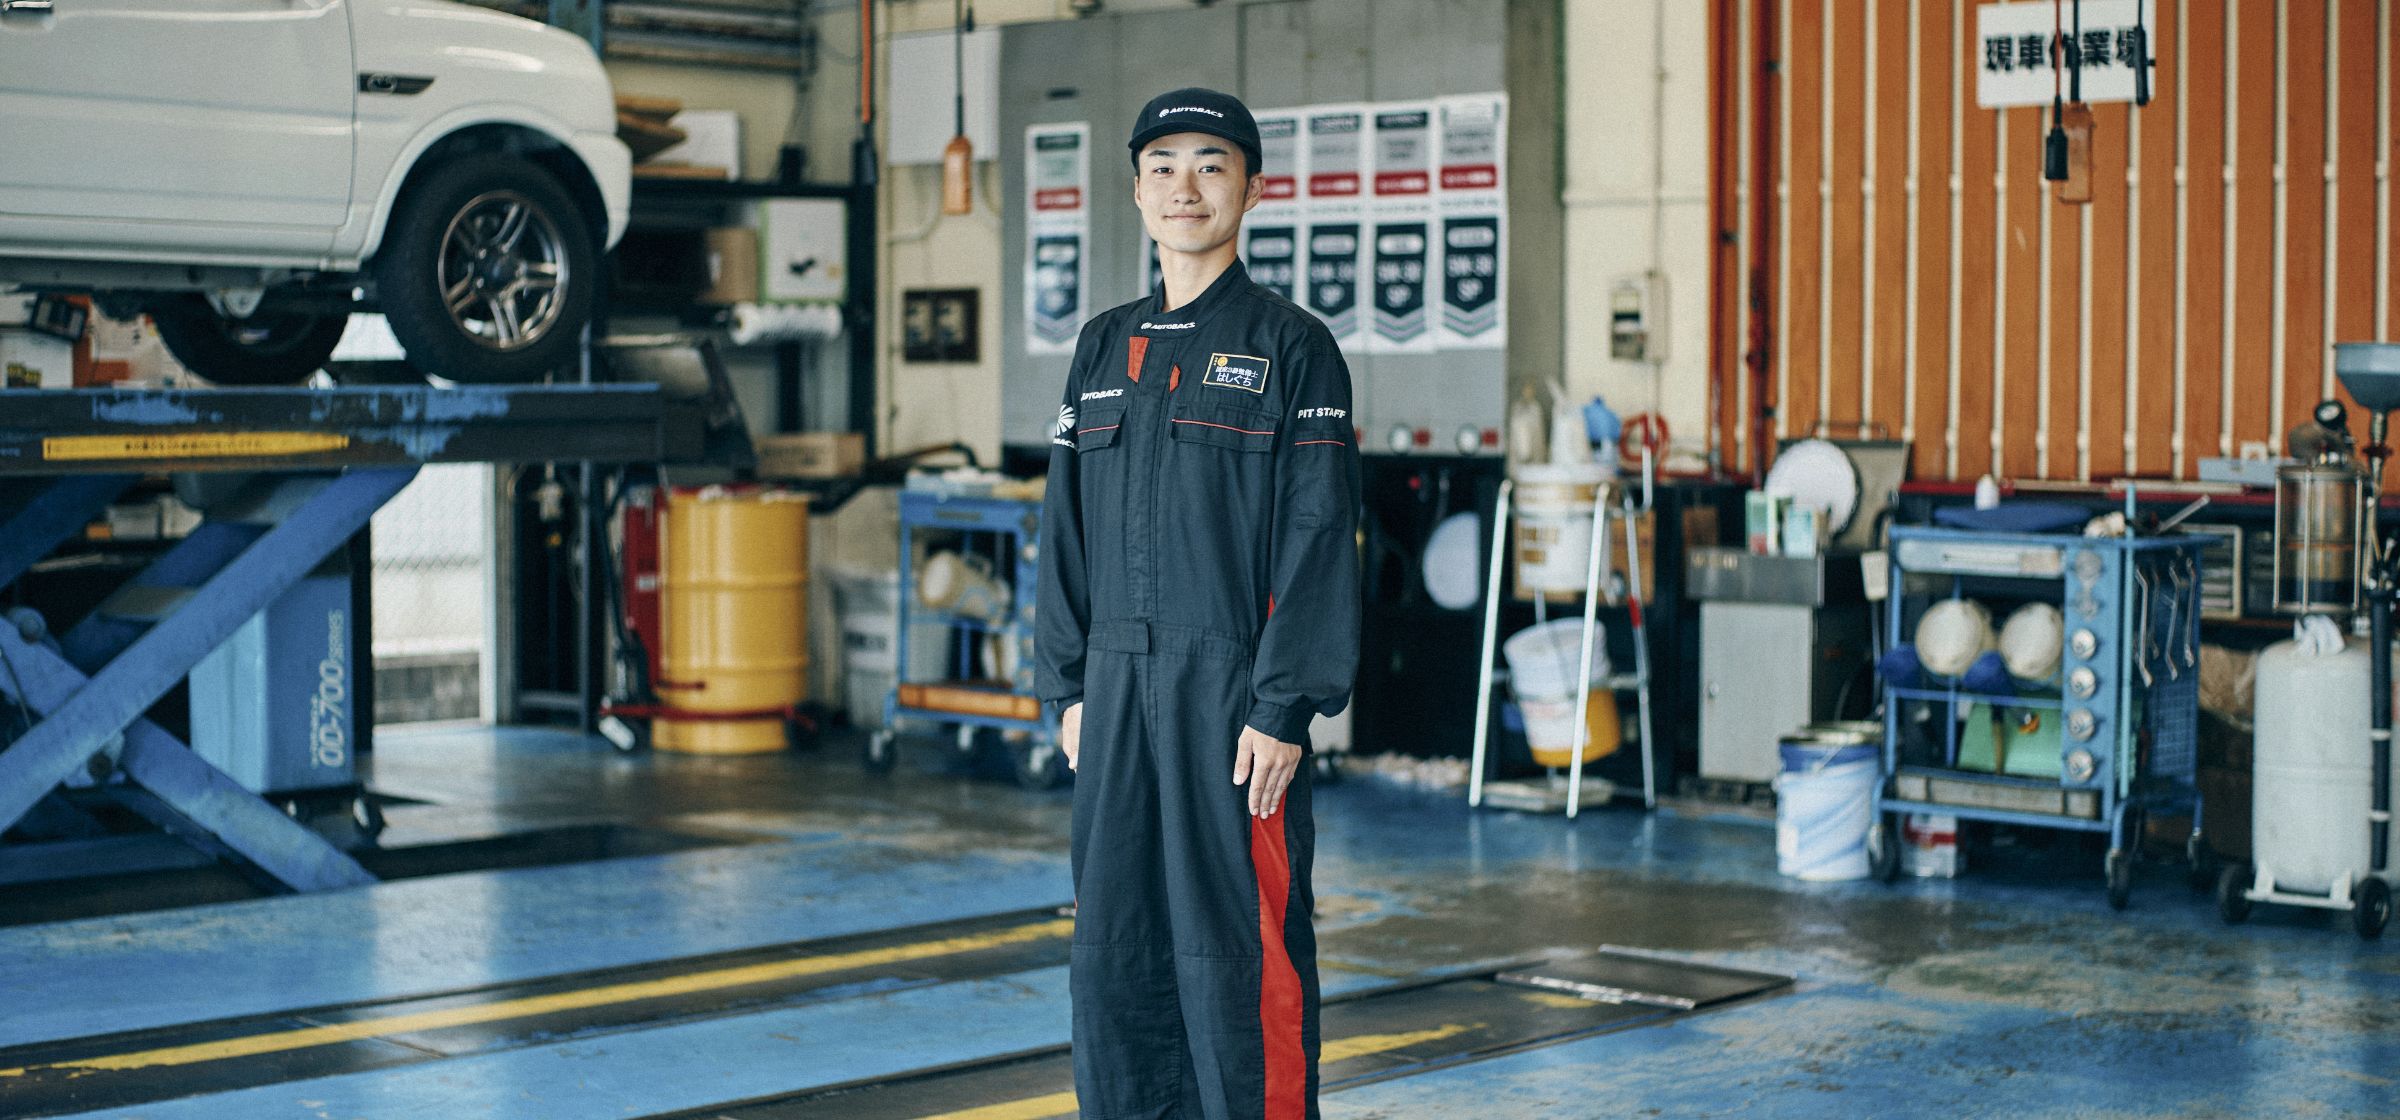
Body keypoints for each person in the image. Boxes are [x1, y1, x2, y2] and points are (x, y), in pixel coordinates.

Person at [1035, 86, 1362, 1120]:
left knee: (1239, 957)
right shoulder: (1100, 347)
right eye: (1164, 166)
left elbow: (1318, 529)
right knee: (1115, 954)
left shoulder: (1292, 346)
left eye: (1211, 165)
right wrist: (1067, 688)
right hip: (1113, 694)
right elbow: (1063, 526)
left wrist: (1284, 706)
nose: (1186, 186)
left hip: (1229, 705)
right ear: (1137, 191)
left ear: (1252, 190)